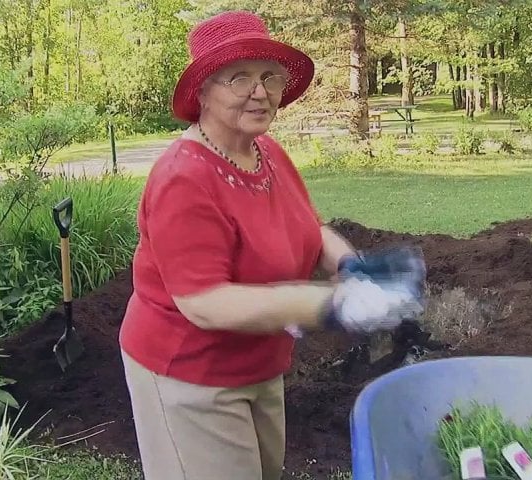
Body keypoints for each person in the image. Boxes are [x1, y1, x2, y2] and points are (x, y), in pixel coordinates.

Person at [118, 10, 426, 480]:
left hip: (260, 362)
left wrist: (350, 266)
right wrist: (328, 305)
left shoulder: (266, 152)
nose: (259, 91)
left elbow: (310, 229)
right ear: (202, 91)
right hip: (189, 372)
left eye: (269, 77)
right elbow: (204, 303)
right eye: (237, 77)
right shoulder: (184, 178)